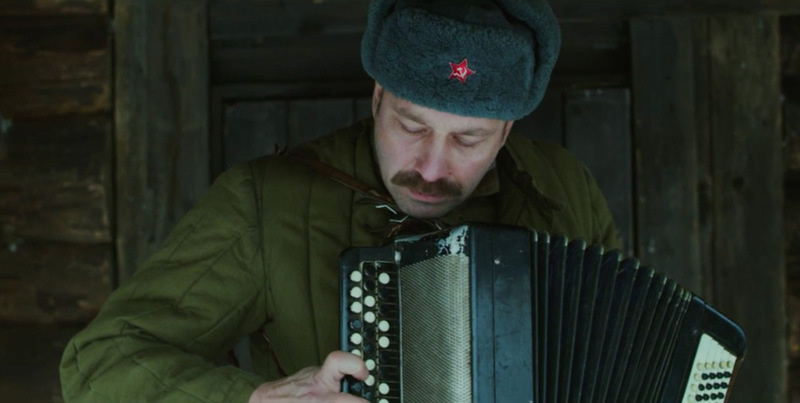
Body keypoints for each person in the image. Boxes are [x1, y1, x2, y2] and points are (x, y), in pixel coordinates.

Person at [59, 0, 621, 401]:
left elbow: (623, 354)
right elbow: (97, 363)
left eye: (469, 140)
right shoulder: (265, 204)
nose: (431, 168)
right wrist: (258, 399)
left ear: (506, 132)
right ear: (377, 98)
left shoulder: (564, 186)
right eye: (411, 126)